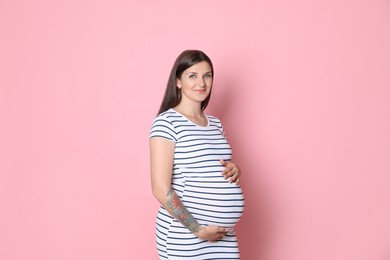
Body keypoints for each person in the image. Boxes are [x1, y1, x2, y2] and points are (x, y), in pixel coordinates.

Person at [149, 50, 245, 259]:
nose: (201, 82)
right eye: (192, 75)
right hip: (184, 234)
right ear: (178, 81)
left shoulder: (216, 124)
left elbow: (210, 168)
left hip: (224, 236)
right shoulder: (167, 123)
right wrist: (197, 229)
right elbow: (160, 188)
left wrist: (235, 171)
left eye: (207, 75)